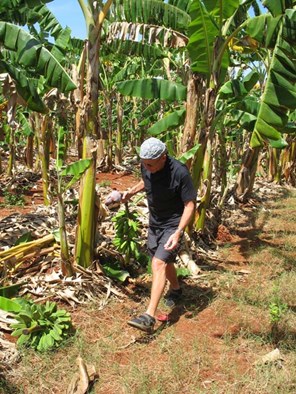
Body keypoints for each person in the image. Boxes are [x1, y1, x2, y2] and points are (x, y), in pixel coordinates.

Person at [122, 137, 197, 332]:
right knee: (165, 261)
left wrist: (179, 232)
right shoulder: (147, 165)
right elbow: (145, 180)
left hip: (173, 224)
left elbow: (190, 205)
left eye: (151, 164)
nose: (147, 168)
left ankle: (149, 316)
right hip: (155, 223)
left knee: (158, 263)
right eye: (144, 164)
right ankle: (176, 289)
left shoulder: (180, 172)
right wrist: (131, 192)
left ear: (163, 157)